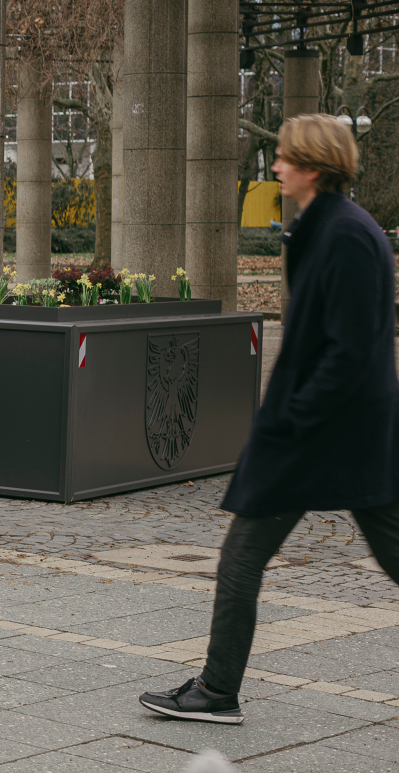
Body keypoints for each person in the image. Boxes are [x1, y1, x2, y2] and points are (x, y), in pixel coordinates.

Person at [138, 113, 399, 725]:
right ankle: (218, 687)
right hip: (336, 432)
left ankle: (217, 691)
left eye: (283, 158)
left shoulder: (346, 236)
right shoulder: (325, 228)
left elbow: (351, 350)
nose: (275, 166)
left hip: (325, 432)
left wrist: (291, 419)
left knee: (242, 559)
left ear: (312, 166)